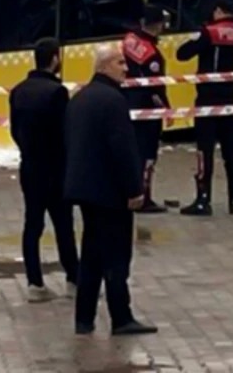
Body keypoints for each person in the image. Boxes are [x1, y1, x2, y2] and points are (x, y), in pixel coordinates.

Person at [64, 43, 156, 337]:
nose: (126, 68)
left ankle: (84, 317)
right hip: (110, 192)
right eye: (120, 63)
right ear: (104, 66)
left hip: (85, 189)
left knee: (91, 254)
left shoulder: (79, 98)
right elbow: (123, 149)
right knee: (116, 255)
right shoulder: (113, 100)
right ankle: (121, 316)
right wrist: (135, 188)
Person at [9, 37, 78, 302]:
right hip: (56, 168)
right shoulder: (57, 92)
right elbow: (64, 132)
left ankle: (34, 282)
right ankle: (73, 278)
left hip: (30, 166)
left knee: (32, 224)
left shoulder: (19, 90)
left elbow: (15, 129)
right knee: (63, 225)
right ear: (55, 59)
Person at [176, 0, 233, 217]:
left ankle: (203, 199)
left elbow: (182, 54)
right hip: (231, 96)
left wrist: (196, 35)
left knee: (204, 149)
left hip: (208, 97)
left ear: (217, 10)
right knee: (230, 148)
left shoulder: (209, 32)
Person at [122, 4, 170, 213]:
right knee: (147, 154)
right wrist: (166, 108)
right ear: (158, 25)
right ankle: (144, 197)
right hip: (147, 110)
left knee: (132, 152)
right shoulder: (152, 55)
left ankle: (128, 192)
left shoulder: (129, 40)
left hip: (127, 104)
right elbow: (155, 87)